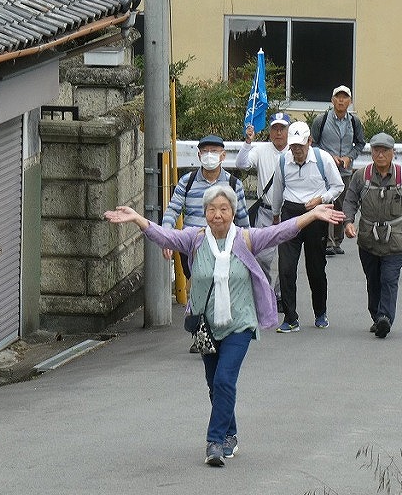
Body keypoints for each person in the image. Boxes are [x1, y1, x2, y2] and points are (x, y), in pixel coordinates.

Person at [105, 185, 344, 466]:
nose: (217, 215)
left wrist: (312, 215)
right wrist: (138, 219)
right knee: (214, 385)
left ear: (232, 212)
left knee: (223, 380)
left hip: (239, 324)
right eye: (212, 209)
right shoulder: (195, 239)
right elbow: (165, 236)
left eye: (223, 209)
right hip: (206, 327)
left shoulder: (246, 238)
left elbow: (282, 231)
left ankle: (215, 442)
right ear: (205, 212)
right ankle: (230, 434)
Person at [163, 134, 249, 352]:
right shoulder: (187, 181)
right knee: (198, 290)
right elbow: (173, 210)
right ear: (199, 155)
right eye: (205, 151)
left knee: (220, 286)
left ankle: (222, 332)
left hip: (224, 246)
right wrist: (166, 236)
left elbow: (243, 219)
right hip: (194, 245)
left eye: (214, 151)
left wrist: (247, 249)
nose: (210, 155)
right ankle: (201, 334)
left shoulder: (233, 184)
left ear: (223, 155)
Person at [342, 132, 402, 338]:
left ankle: (385, 318)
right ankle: (377, 316)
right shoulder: (361, 176)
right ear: (371, 152)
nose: (380, 155)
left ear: (393, 153)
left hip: (395, 240)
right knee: (373, 280)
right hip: (368, 240)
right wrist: (348, 222)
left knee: (389, 279)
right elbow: (350, 201)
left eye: (385, 151)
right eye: (376, 150)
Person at [271, 122, 344, 332]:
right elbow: (278, 190)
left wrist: (321, 199)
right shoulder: (283, 160)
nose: (296, 150)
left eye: (300, 146)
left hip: (316, 215)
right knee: (286, 268)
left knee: (316, 268)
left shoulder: (323, 159)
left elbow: (338, 186)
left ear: (310, 142)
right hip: (290, 213)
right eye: (293, 146)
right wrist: (276, 215)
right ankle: (290, 318)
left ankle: (320, 312)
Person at [236, 111, 291, 290]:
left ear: (288, 131)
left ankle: (281, 293)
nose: (278, 133)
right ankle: (264, 291)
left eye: (282, 128)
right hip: (266, 213)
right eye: (275, 128)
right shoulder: (261, 150)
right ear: (269, 131)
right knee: (262, 257)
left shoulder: (295, 150)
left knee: (287, 259)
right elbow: (242, 164)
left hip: (289, 212)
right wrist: (248, 142)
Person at [313, 85, 366, 257]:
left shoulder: (354, 122)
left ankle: (337, 240)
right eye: (338, 97)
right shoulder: (321, 120)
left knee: (342, 205)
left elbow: (360, 143)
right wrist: (329, 157)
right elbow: (313, 144)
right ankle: (327, 242)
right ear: (332, 100)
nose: (341, 100)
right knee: (328, 203)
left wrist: (349, 157)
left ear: (350, 101)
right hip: (325, 172)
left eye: (345, 97)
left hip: (345, 171)